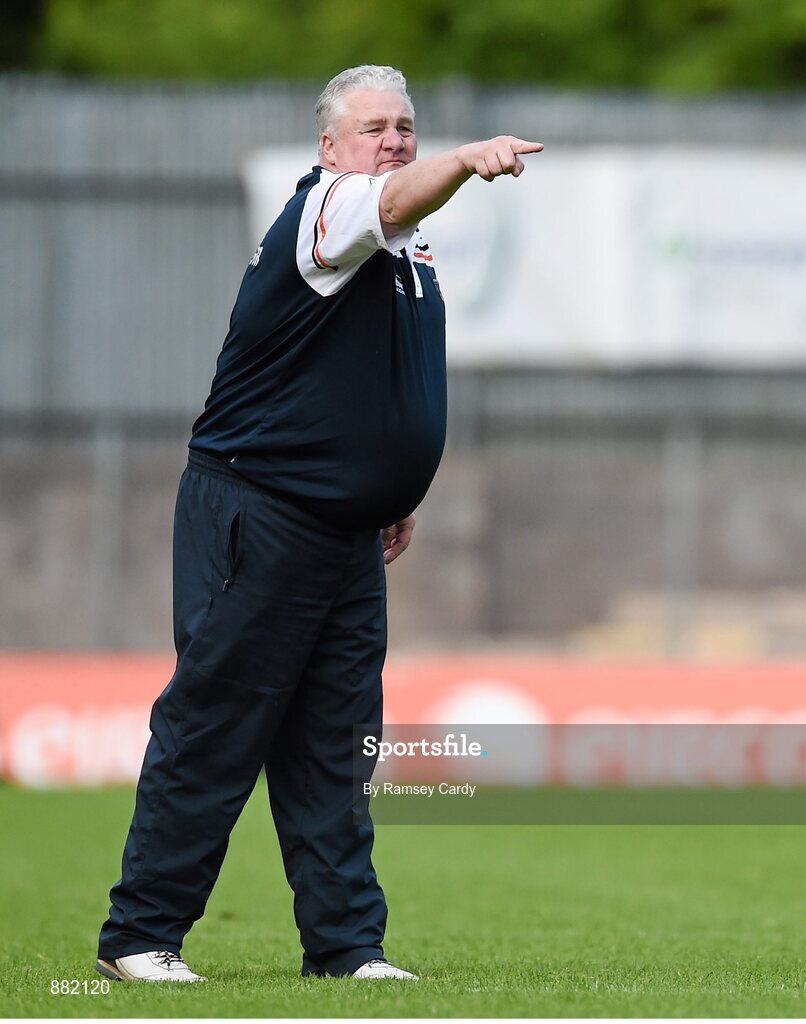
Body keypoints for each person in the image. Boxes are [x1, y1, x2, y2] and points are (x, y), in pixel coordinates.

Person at [95, 64, 542, 984]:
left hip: (345, 531)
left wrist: (390, 488)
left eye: (407, 126)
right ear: (330, 146)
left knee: (336, 748)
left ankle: (345, 948)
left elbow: (374, 379)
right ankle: (140, 936)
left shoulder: (404, 243)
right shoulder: (332, 207)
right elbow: (394, 196)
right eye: (373, 126)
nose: (394, 140)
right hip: (263, 511)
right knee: (216, 726)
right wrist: (462, 160)